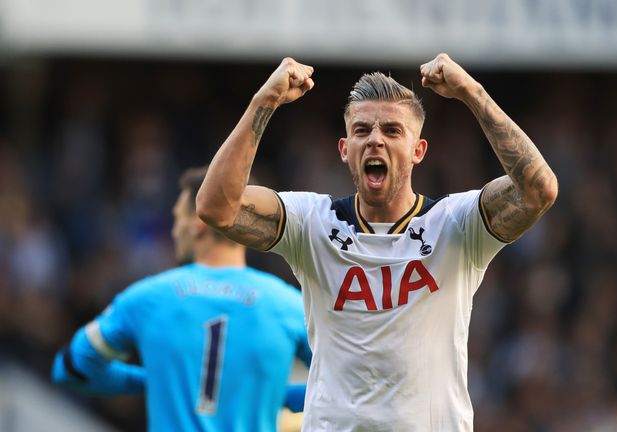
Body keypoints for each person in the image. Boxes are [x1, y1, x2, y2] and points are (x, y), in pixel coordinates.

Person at [196, 54, 558, 431]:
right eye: (362, 130)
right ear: (344, 149)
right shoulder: (312, 224)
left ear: (418, 151)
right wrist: (263, 101)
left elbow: (539, 191)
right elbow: (216, 207)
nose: (375, 140)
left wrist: (472, 92)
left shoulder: (455, 225)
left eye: (392, 130)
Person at [52, 167, 312, 432]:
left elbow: (72, 368)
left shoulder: (148, 298)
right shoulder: (290, 305)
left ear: (199, 222)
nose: (175, 231)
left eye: (176, 219)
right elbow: (343, 383)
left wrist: (149, 379)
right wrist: (274, 395)